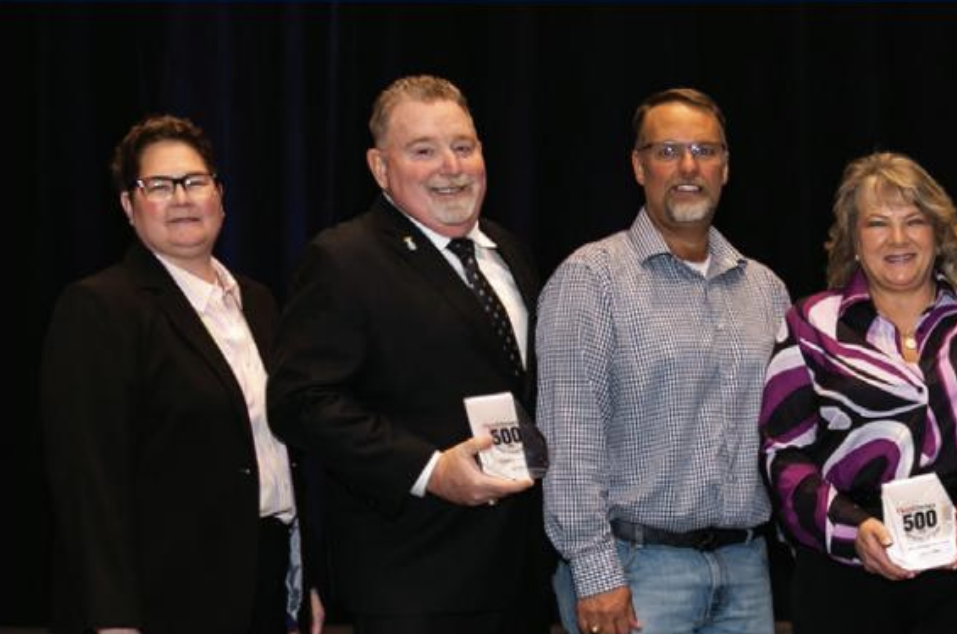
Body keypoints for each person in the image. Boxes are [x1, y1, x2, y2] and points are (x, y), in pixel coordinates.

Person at [270, 74, 552, 634]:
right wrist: (429, 470)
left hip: (518, 579)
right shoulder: (344, 259)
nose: (451, 166)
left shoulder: (507, 252)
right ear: (380, 168)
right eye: (423, 151)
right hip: (414, 582)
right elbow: (300, 401)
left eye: (463, 146)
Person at [42, 114, 322, 634]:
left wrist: (305, 578)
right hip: (165, 596)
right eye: (159, 186)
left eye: (195, 182)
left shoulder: (258, 302)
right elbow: (88, 481)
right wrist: (112, 618)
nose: (182, 198)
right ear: (129, 206)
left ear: (220, 195)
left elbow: (283, 451)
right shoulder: (101, 307)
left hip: (266, 577)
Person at [760, 151, 957, 633]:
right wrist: (852, 531)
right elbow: (782, 456)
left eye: (914, 221)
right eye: (877, 223)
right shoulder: (809, 324)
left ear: (939, 231)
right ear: (852, 238)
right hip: (845, 579)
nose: (898, 239)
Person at [540, 88, 787, 634]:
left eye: (705, 150)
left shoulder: (766, 289)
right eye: (668, 150)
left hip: (746, 568)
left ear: (726, 167)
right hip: (637, 570)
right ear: (637, 165)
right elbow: (569, 442)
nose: (689, 166)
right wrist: (596, 573)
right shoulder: (591, 280)